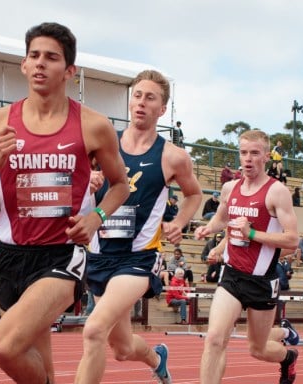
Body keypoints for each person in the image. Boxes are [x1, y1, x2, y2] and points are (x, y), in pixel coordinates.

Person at [0, 22, 129, 384]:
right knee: (37, 361)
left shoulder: (94, 126)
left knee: (4, 346)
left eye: (51, 58)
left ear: (69, 71)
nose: (40, 64)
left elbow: (120, 186)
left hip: (62, 254)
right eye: (33, 56)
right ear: (23, 64)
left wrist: (97, 217)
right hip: (10, 255)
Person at [77, 69, 202, 384]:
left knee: (93, 330)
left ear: (162, 109)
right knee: (120, 347)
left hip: (138, 258)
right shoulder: (102, 143)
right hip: (99, 254)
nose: (141, 103)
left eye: (150, 98)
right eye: (137, 95)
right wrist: (86, 183)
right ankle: (157, 357)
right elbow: (73, 183)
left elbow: (194, 194)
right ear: (129, 100)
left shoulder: (173, 157)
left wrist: (179, 222)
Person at [194, 129, 300, 384]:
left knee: (258, 349)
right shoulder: (230, 188)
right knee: (215, 339)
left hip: (262, 281)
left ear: (265, 156)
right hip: (231, 276)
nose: (248, 159)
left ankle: (288, 357)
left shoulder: (277, 192)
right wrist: (208, 228)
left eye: (254, 153)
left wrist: (252, 233)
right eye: (243, 153)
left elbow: (292, 240)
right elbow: (221, 218)